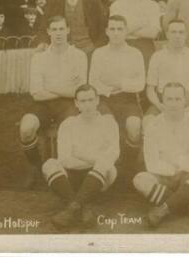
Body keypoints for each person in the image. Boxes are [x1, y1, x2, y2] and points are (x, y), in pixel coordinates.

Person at [133, 82, 189, 228]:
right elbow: (151, 162)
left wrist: (180, 168)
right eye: (169, 99)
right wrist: (171, 170)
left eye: (178, 99)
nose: (173, 104)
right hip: (162, 176)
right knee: (140, 180)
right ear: (162, 101)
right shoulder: (153, 125)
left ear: (185, 101)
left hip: (186, 175)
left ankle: (164, 209)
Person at [19, 16, 88, 189]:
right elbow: (36, 94)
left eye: (62, 29)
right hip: (43, 104)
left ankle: (68, 169)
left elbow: (79, 91)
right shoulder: (39, 58)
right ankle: (36, 167)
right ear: (49, 32)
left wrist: (50, 86)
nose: (58, 33)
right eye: (54, 29)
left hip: (69, 104)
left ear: (68, 30)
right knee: (26, 128)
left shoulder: (79, 56)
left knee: (69, 129)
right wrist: (66, 87)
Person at [42, 84, 119, 229]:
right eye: (83, 101)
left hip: (100, 177)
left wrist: (79, 154)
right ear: (76, 103)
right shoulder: (68, 124)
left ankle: (71, 208)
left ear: (97, 100)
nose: (88, 105)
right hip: (73, 177)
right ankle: (79, 206)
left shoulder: (108, 123)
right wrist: (95, 158)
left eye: (91, 100)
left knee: (104, 165)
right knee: (50, 164)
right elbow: (64, 159)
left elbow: (113, 154)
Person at [88, 15, 145, 173]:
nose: (116, 33)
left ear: (126, 31)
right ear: (106, 31)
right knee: (108, 126)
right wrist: (118, 86)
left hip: (128, 100)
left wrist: (118, 84)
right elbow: (93, 83)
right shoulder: (99, 53)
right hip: (104, 100)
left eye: (120, 29)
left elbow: (140, 84)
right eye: (112, 29)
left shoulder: (135, 53)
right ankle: (107, 167)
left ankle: (127, 167)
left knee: (134, 126)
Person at [144, 19, 189, 137]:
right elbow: (150, 89)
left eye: (181, 32)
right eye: (173, 32)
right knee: (148, 122)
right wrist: (160, 107)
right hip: (163, 102)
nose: (177, 36)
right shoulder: (157, 56)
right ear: (167, 34)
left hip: (188, 102)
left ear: (186, 35)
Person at [110, 0, 161, 67]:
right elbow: (116, 32)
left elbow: (153, 33)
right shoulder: (116, 5)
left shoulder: (152, 5)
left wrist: (127, 28)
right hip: (122, 49)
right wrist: (142, 22)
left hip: (145, 49)